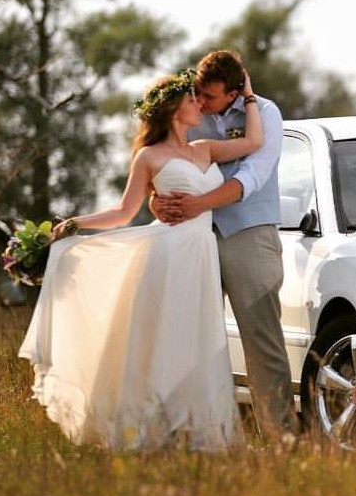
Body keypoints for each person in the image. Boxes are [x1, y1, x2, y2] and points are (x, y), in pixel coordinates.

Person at [18, 67, 263, 450]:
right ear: (174, 110)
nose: (199, 104)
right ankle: (150, 430)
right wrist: (76, 223)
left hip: (201, 255)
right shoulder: (149, 156)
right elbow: (123, 212)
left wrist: (248, 94)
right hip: (167, 256)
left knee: (200, 342)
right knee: (165, 340)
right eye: (192, 100)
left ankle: (196, 432)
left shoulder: (205, 148)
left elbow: (254, 141)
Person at [153, 50, 297, 440]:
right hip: (191, 237)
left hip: (249, 235)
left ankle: (280, 438)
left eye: (210, 96)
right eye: (197, 92)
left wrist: (199, 202)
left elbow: (253, 176)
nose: (200, 101)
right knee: (191, 336)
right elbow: (163, 166)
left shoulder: (264, 113)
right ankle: (194, 434)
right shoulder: (187, 113)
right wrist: (157, 202)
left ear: (234, 93)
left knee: (261, 340)